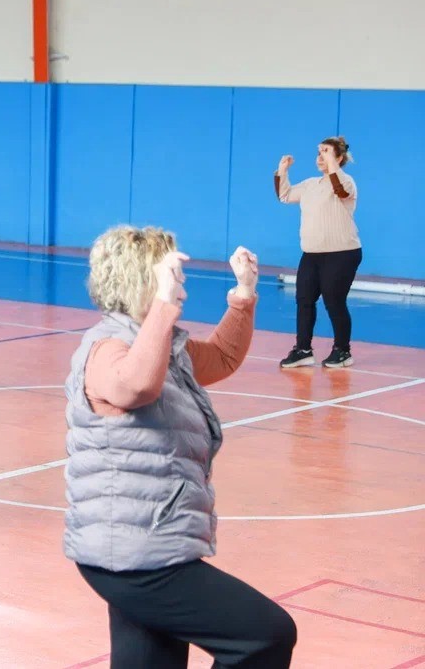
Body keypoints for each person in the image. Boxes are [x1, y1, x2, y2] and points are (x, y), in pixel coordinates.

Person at [63, 225, 296, 667]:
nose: (183, 285)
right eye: (172, 274)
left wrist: (243, 293)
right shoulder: (106, 347)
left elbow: (221, 357)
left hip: (141, 547)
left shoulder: (161, 345)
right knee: (264, 635)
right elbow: (135, 387)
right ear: (141, 280)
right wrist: (165, 303)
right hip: (135, 555)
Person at [275, 136, 362, 369]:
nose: (320, 157)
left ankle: (343, 351)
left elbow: (340, 191)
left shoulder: (346, 181)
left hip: (342, 253)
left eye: (326, 152)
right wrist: (282, 170)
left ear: (339, 158)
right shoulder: (311, 184)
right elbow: (284, 196)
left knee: (334, 301)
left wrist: (332, 162)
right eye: (319, 153)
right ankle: (303, 350)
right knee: (304, 300)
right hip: (312, 254)